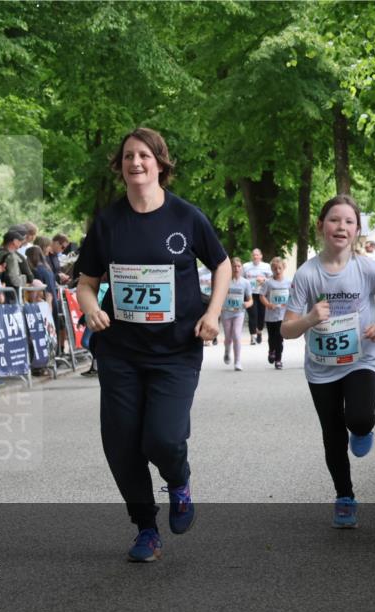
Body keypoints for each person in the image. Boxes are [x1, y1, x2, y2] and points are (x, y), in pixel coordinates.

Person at [75, 127, 229, 563]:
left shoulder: (186, 217)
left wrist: (212, 313)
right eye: (128, 156)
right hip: (121, 351)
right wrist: (90, 308)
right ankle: (146, 528)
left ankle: (178, 481)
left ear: (160, 163)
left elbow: (220, 265)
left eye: (144, 155)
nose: (136, 163)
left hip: (176, 350)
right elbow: (86, 283)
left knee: (162, 438)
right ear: (120, 166)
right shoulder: (108, 222)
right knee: (121, 445)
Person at [281, 195, 375, 528]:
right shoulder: (307, 274)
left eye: (349, 222)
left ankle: (362, 429)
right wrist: (310, 318)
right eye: (334, 220)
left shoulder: (370, 268)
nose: (341, 227)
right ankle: (344, 496)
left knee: (359, 418)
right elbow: (287, 329)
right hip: (322, 366)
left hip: (361, 358)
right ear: (321, 226)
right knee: (332, 433)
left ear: (357, 230)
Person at [221, 257, 253, 371]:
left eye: (239, 266)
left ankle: (238, 361)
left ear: (242, 268)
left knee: (236, 335)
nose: (236, 268)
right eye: (234, 266)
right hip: (226, 312)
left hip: (239, 313)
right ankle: (226, 350)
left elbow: (250, 300)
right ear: (231, 267)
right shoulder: (225, 281)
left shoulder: (245, 283)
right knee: (228, 337)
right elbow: (219, 296)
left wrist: (247, 304)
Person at [260, 256, 290, 370]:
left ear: (283, 268)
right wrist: (268, 304)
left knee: (280, 337)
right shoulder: (268, 283)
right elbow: (262, 295)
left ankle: (278, 359)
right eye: (275, 269)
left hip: (283, 315)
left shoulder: (288, 282)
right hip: (271, 315)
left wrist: (289, 305)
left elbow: (292, 296)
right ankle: (271, 350)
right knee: (272, 337)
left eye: (279, 268)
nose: (277, 271)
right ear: (272, 269)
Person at [242, 248, 272, 345]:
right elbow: (242, 278)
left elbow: (272, 278)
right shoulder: (246, 266)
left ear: (261, 256)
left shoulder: (266, 266)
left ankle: (259, 331)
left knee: (261, 316)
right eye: (254, 255)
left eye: (257, 255)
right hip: (250, 294)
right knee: (253, 315)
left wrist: (264, 280)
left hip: (262, 294)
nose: (255, 257)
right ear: (251, 256)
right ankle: (253, 337)